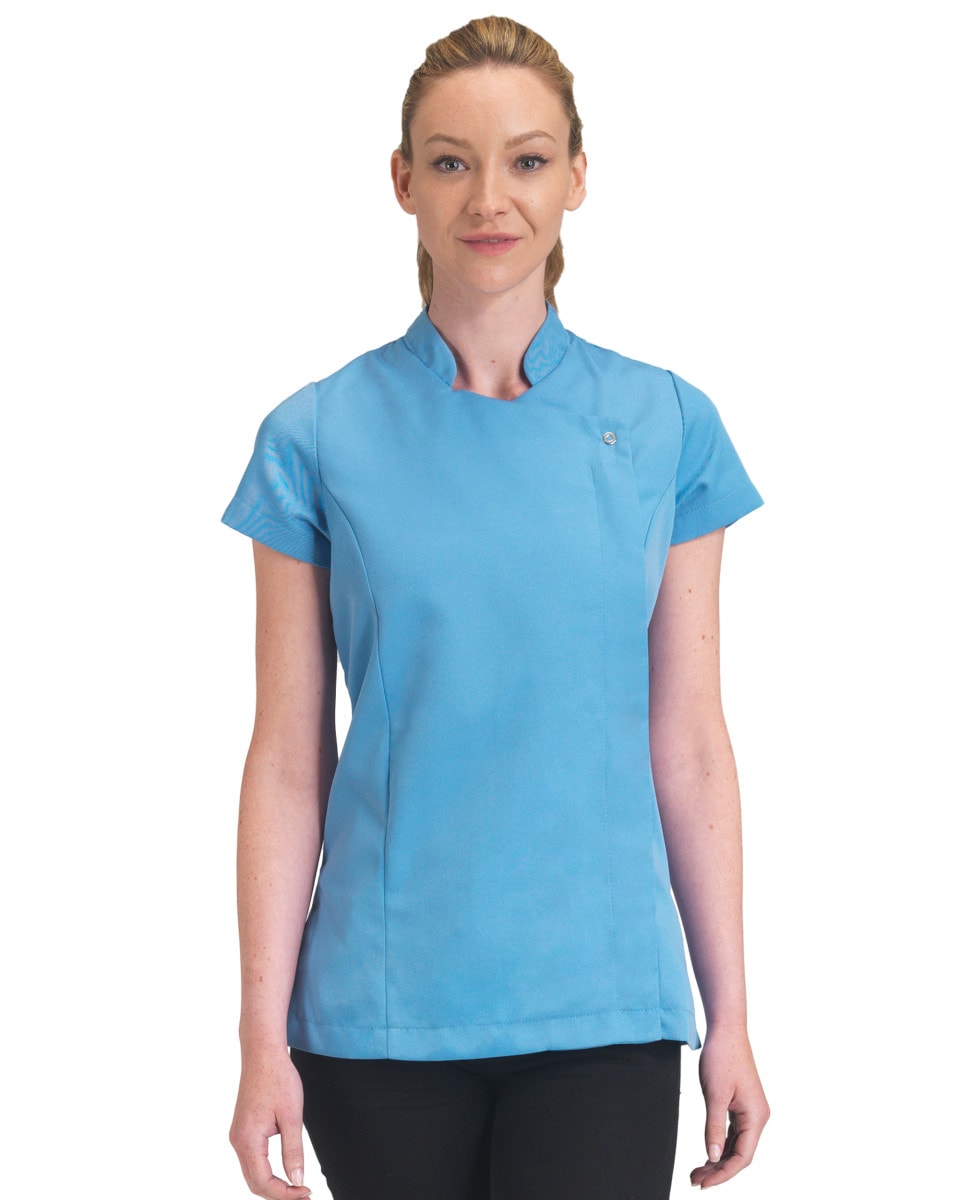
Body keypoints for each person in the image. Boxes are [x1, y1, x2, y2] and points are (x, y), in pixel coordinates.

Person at [224, 15, 769, 1200]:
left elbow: (689, 742)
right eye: (451, 160)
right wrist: (260, 1036)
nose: (489, 198)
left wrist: (731, 1015)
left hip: (605, 1004)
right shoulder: (315, 437)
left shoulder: (668, 426)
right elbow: (287, 758)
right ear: (402, 181)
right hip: (379, 1010)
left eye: (526, 159)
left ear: (577, 177)